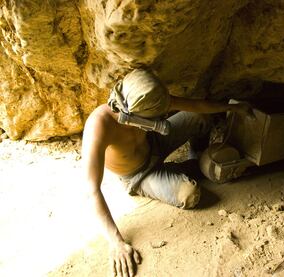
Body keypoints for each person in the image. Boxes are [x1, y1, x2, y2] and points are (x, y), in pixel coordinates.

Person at [82, 67, 252, 277]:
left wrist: (233, 108)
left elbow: (196, 105)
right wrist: (116, 242)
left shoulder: (144, 99)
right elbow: (91, 190)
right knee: (189, 195)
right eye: (157, 116)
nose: (163, 115)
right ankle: (189, 167)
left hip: (155, 144)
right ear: (134, 116)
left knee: (199, 117)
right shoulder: (99, 125)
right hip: (138, 175)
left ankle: (194, 157)